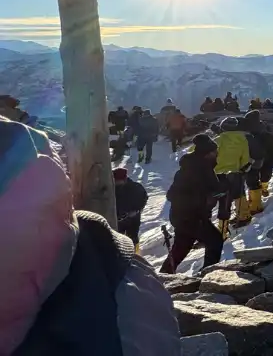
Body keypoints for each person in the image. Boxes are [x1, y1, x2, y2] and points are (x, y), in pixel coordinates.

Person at [1, 115, 180, 354]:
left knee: (133, 240)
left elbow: (143, 198)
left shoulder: (110, 253)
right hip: (112, 246)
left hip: (125, 230)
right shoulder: (111, 262)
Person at [162, 134, 224, 274]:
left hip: (187, 216)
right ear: (207, 154)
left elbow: (212, 189)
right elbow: (172, 195)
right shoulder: (195, 170)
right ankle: (207, 275)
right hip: (190, 217)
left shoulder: (202, 168)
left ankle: (163, 276)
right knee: (215, 241)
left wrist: (218, 191)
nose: (217, 154)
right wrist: (204, 199)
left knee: (182, 246)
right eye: (214, 152)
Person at [214, 117, 252, 233]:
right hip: (236, 172)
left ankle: (222, 230)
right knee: (239, 194)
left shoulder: (219, 139)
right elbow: (245, 157)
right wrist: (242, 168)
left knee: (224, 201)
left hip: (220, 174)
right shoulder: (242, 138)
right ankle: (244, 216)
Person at [241, 109, 273, 210]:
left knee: (252, 181)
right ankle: (262, 192)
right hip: (267, 158)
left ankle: (255, 204)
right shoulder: (264, 129)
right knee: (264, 176)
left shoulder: (249, 132)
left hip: (253, 159)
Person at [113, 168, 148, 253]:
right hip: (118, 220)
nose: (115, 182)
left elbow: (144, 198)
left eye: (117, 180)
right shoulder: (112, 188)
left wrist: (137, 210)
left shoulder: (136, 188)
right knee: (118, 241)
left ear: (124, 179)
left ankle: (136, 256)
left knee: (133, 239)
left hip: (132, 220)